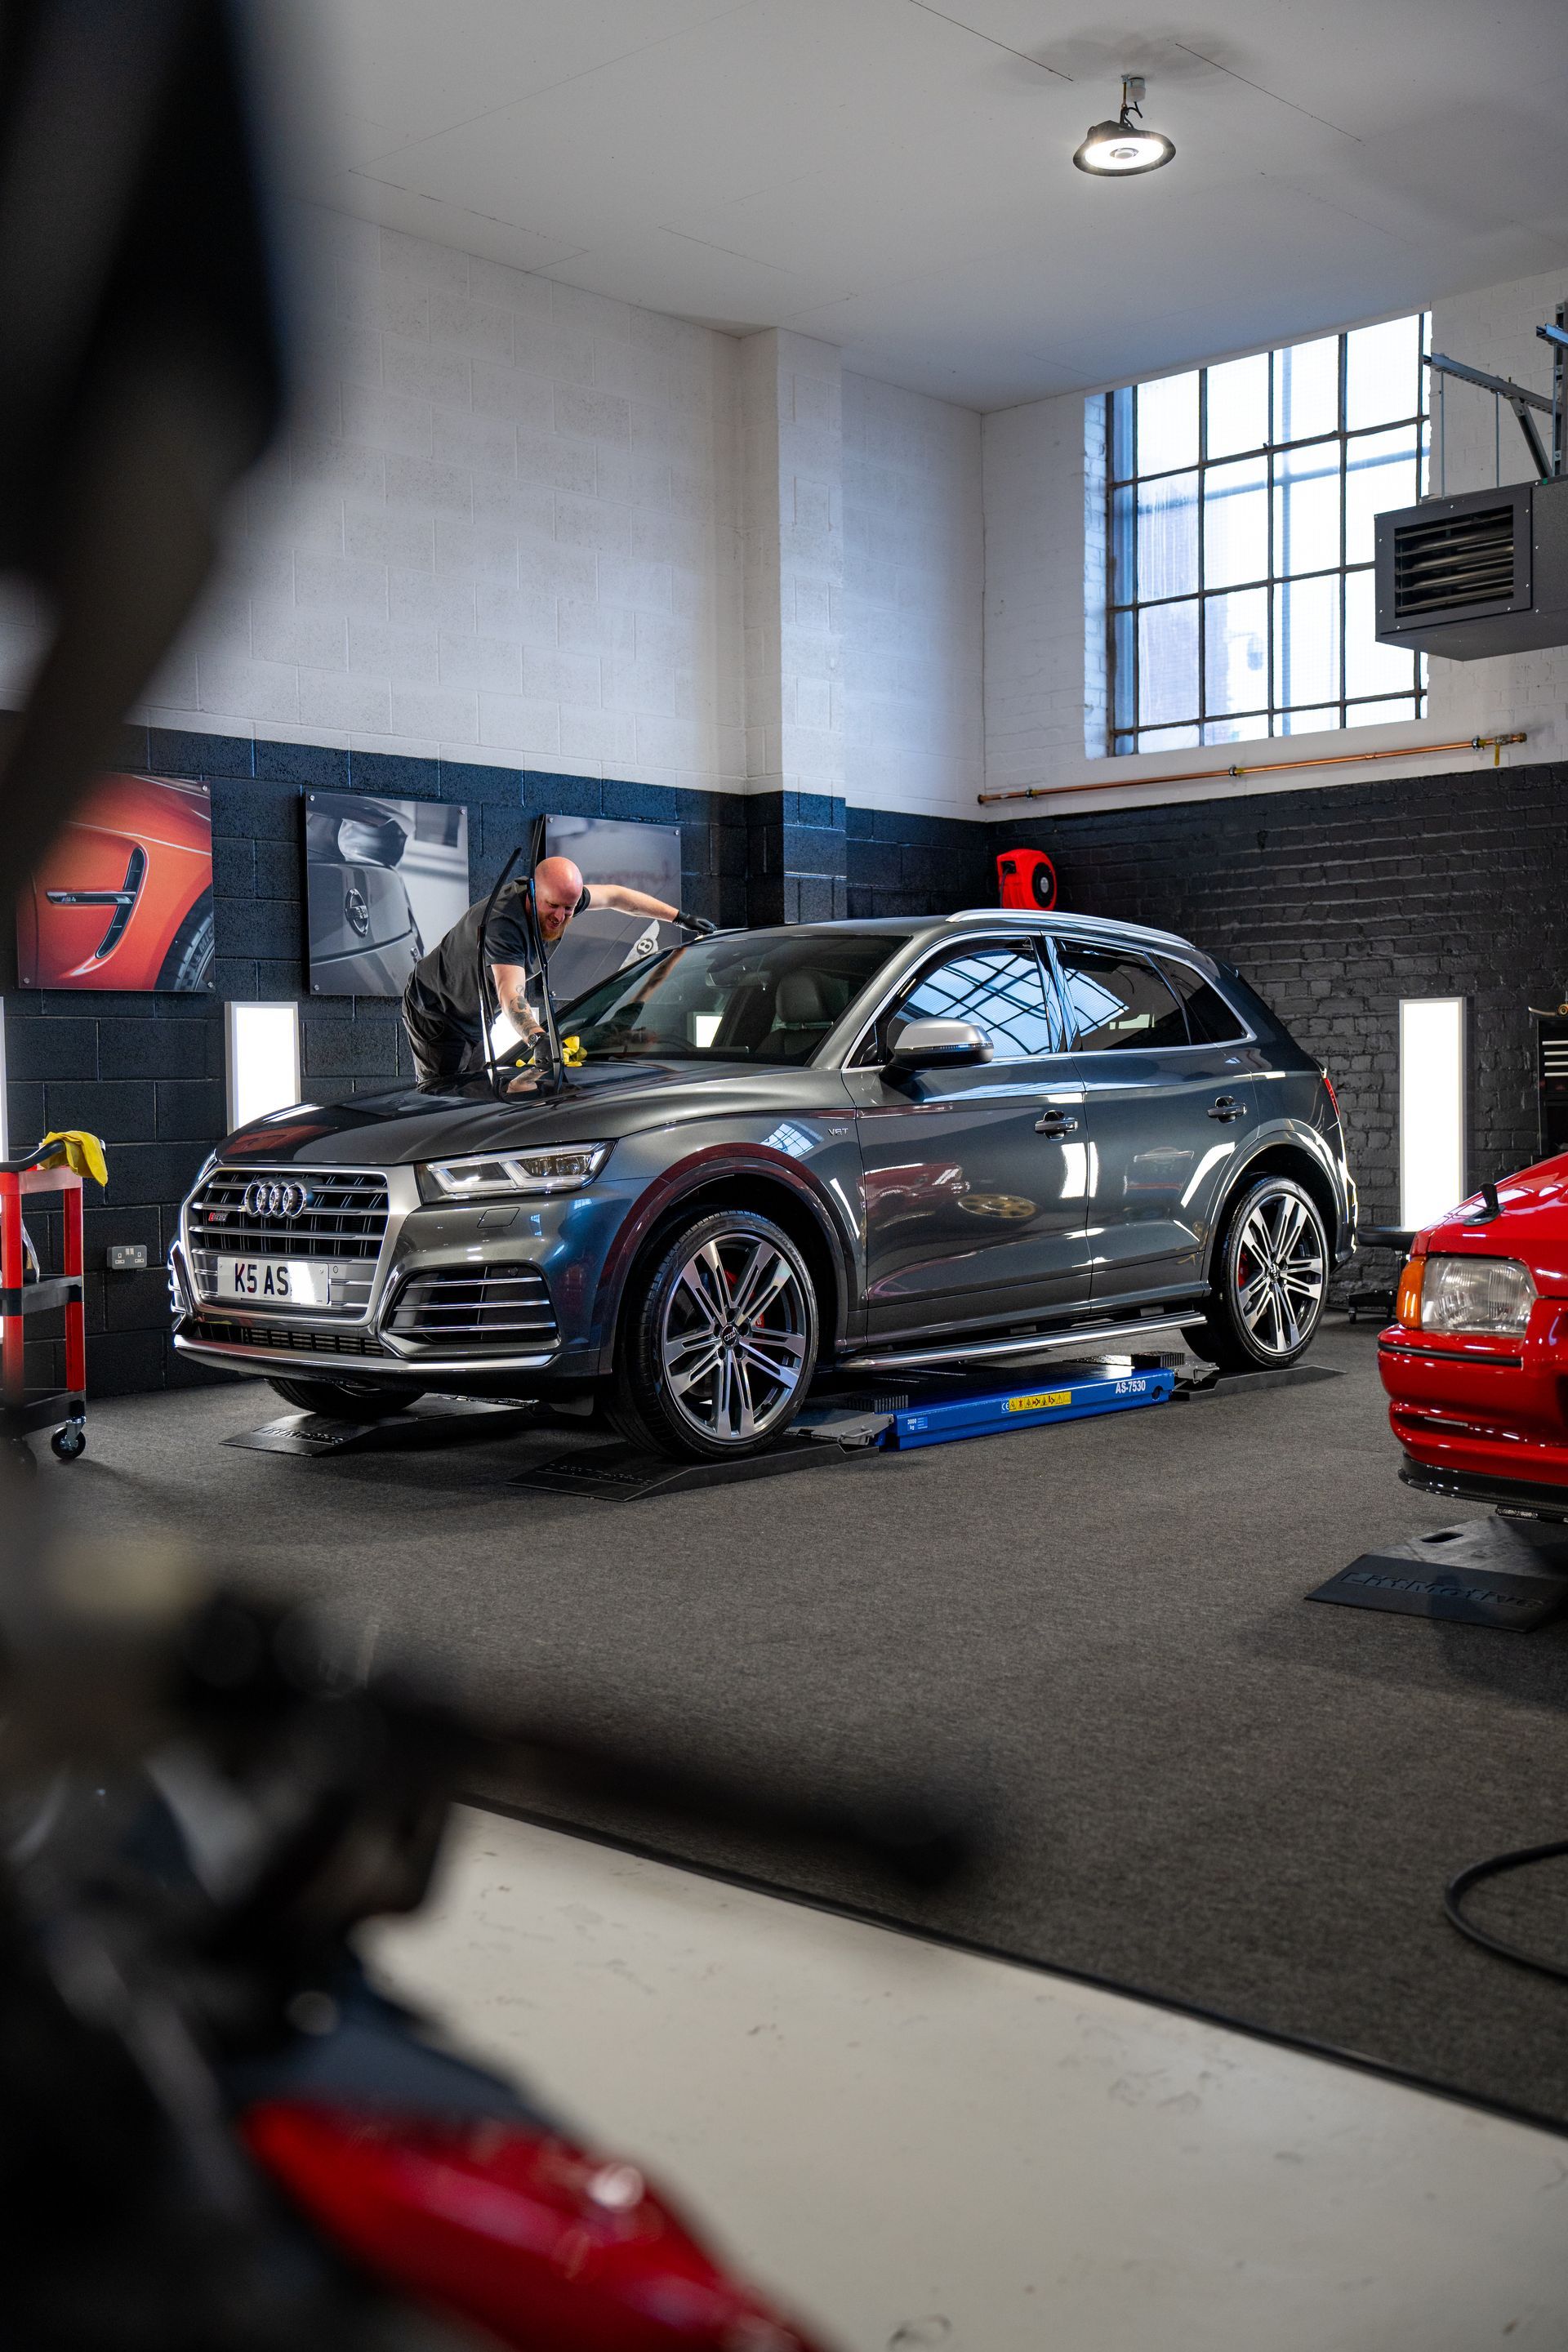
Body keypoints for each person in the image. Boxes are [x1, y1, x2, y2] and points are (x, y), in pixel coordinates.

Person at [401, 853, 710, 1086]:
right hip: (435, 1011)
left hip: (473, 1014)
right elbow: (510, 991)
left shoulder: (564, 897)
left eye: (569, 908)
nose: (560, 917)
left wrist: (679, 918)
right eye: (553, 906)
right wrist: (538, 1039)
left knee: (477, 1090)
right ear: (534, 891)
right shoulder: (503, 924)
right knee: (447, 1098)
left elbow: (619, 897)